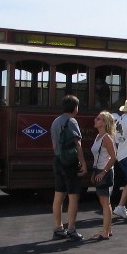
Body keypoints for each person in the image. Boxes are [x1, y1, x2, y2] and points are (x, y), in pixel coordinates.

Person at [50, 95, 88, 241]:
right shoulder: (71, 121)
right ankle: (71, 229)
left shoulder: (55, 121)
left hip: (58, 159)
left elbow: (54, 144)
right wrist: (83, 162)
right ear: (75, 107)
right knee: (73, 195)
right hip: (69, 162)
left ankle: (58, 228)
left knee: (58, 194)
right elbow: (78, 144)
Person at [90, 111, 117, 240]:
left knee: (105, 202)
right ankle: (108, 229)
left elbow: (113, 157)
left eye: (98, 118)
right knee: (105, 202)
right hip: (99, 171)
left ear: (105, 123)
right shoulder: (98, 137)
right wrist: (95, 172)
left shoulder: (106, 137)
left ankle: (105, 232)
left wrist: (103, 172)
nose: (95, 120)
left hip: (104, 172)